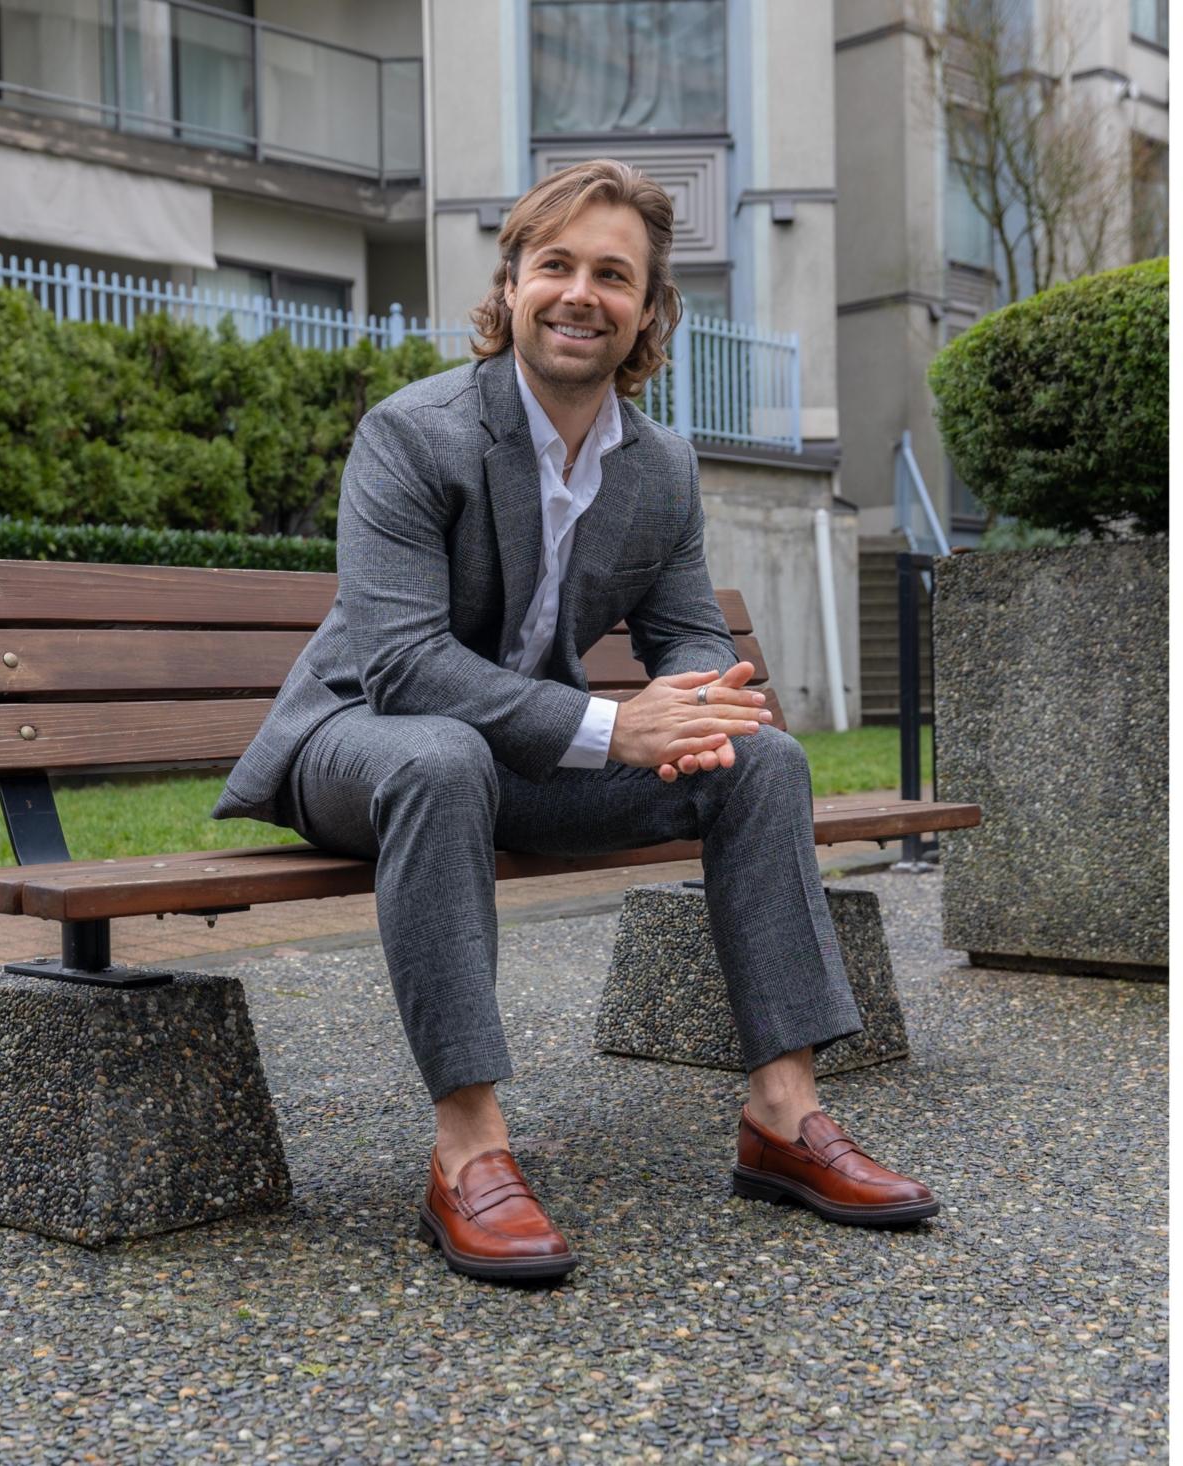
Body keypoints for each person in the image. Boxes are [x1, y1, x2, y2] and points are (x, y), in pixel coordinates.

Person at [213, 159, 937, 1284]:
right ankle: (469, 1149)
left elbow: (690, 630)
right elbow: (402, 667)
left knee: (764, 761)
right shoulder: (414, 434)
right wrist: (612, 728)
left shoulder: (659, 466)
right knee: (444, 755)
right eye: (555, 265)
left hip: (512, 756)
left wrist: (696, 708)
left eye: (613, 274)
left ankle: (784, 1116)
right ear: (510, 284)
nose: (579, 293)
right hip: (358, 742)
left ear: (648, 311)